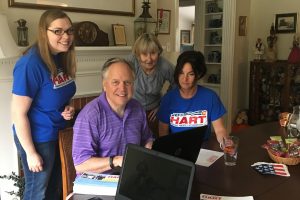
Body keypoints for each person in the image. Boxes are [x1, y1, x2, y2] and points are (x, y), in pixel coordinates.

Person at [11, 9, 76, 199]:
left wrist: (68, 107)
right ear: (43, 32)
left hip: (57, 133)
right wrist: (31, 152)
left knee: (54, 189)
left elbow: (60, 93)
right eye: (58, 31)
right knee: (36, 192)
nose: (66, 37)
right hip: (37, 138)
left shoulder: (60, 58)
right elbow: (17, 113)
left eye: (69, 31)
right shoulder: (30, 64)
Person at [72, 57, 153, 174]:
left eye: (127, 82)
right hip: (98, 185)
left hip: (131, 178)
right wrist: (115, 161)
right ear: (104, 85)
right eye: (115, 82)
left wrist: (149, 145)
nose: (122, 88)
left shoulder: (137, 109)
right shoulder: (90, 116)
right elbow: (81, 165)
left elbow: (147, 138)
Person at [157, 51, 228, 144]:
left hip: (203, 149)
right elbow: (163, 133)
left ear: (198, 74)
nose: (185, 79)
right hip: (176, 149)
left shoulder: (210, 97)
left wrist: (225, 143)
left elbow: (219, 130)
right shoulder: (168, 99)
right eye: (181, 73)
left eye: (190, 74)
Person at [126, 33, 175, 137]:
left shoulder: (165, 66)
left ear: (159, 52)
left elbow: (177, 83)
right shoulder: (130, 62)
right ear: (138, 55)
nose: (149, 59)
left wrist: (162, 104)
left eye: (153, 53)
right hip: (132, 108)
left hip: (154, 111)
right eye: (144, 54)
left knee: (157, 142)